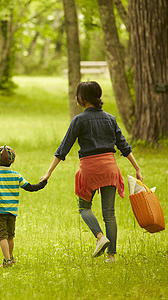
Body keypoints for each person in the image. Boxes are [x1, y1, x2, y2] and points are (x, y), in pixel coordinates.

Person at [40, 81, 143, 263]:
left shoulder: (78, 120)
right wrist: (137, 168)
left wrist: (48, 173)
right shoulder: (110, 119)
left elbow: (63, 149)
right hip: (110, 168)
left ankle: (99, 237)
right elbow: (124, 147)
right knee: (109, 213)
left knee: (84, 207)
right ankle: (111, 255)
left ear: (81, 98)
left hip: (89, 169)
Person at [0, 145, 47, 268]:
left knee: (2, 237)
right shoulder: (16, 175)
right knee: (10, 236)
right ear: (13, 161)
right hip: (12, 212)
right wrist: (43, 183)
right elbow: (30, 187)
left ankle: (7, 261)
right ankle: (10, 258)